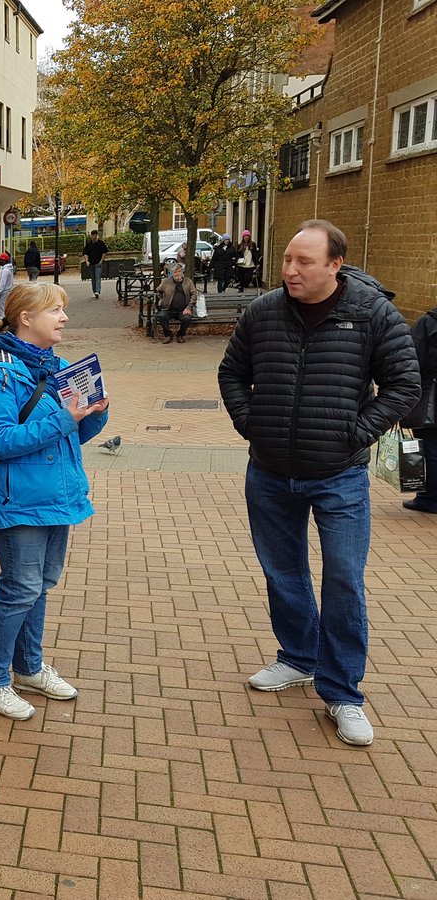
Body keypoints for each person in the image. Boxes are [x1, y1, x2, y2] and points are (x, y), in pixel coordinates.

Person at [218, 220, 420, 747]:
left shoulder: (372, 313)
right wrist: (251, 424)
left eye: (304, 262)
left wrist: (355, 431)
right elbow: (231, 373)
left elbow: (404, 384)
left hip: (339, 476)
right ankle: (298, 657)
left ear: (335, 265)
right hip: (269, 472)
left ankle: (343, 692)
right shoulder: (264, 312)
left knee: (344, 580)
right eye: (288, 259)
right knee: (283, 573)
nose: (290, 270)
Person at [0, 282, 110, 721]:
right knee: (19, 589)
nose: (64, 317)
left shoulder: (59, 366)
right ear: (25, 318)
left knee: (39, 585)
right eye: (55, 310)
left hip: (57, 494)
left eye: (63, 309)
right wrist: (64, 418)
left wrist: (94, 413)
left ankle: (28, 668)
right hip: (21, 499)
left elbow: (74, 434)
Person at [404, 306, 437, 513]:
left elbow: (411, 357)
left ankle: (430, 498)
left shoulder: (429, 323)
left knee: (430, 447)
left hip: (430, 397)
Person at [155, 264, 197, 344]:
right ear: (172, 273)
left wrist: (189, 307)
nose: (177, 274)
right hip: (168, 309)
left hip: (183, 309)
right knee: (162, 316)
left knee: (187, 318)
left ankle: (180, 335)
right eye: (175, 272)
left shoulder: (188, 282)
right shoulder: (166, 281)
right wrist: (161, 299)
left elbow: (194, 294)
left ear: (182, 272)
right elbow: (158, 291)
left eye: (179, 271)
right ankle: (168, 335)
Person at [81, 229, 109, 299]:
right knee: (93, 278)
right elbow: (85, 253)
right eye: (92, 235)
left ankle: (97, 291)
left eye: (94, 235)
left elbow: (104, 252)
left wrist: (101, 261)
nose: (93, 237)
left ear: (96, 235)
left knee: (97, 277)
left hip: (98, 263)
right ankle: (94, 291)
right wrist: (87, 261)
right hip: (91, 263)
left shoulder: (101, 243)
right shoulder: (89, 244)